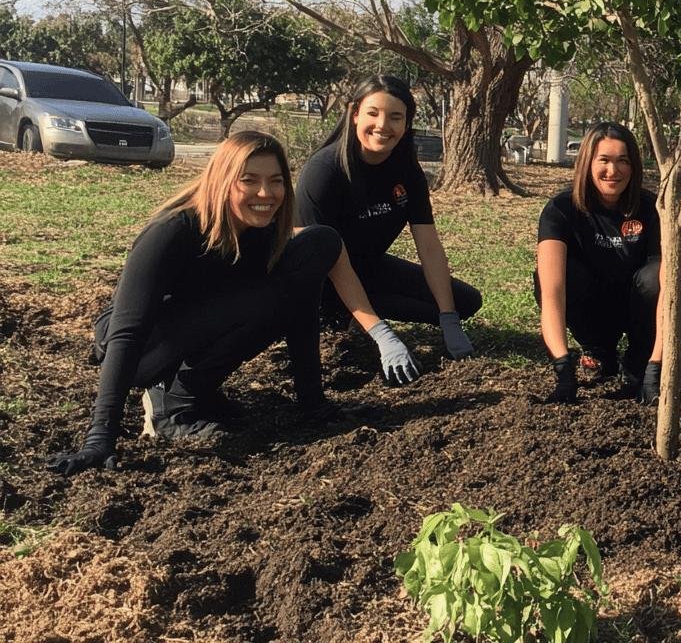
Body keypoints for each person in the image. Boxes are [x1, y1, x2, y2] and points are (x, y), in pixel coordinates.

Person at [46, 131, 345, 476]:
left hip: (201, 325)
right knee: (261, 299)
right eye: (249, 181)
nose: (266, 194)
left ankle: (194, 392)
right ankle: (171, 407)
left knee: (317, 246)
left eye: (276, 181)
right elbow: (128, 331)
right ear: (223, 181)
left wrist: (314, 403)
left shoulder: (263, 229)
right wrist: (100, 436)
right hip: (144, 347)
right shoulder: (174, 230)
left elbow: (301, 309)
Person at [296, 76, 481, 385]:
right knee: (328, 299)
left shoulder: (407, 172)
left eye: (396, 116)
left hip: (368, 268)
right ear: (355, 114)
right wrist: (381, 332)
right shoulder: (325, 171)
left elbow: (429, 245)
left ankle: (360, 311)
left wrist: (448, 317)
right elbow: (333, 263)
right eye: (373, 113)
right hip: (319, 279)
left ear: (406, 124)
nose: (383, 125)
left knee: (465, 302)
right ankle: (348, 316)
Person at [535, 122, 681, 404]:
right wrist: (563, 367)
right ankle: (599, 352)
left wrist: (655, 367)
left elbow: (667, 294)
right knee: (557, 274)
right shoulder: (561, 209)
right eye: (604, 160)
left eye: (623, 161)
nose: (613, 171)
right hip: (593, 310)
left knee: (669, 290)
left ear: (634, 165)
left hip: (641, 311)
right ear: (587, 162)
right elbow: (551, 294)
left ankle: (639, 360)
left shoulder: (655, 210)